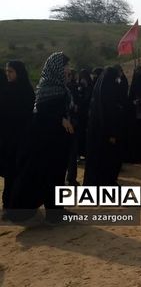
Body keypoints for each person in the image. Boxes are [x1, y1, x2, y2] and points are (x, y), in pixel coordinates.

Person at [7, 52, 75, 223]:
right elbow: (42, 114)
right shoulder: (48, 89)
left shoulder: (60, 87)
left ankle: (56, 211)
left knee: (57, 176)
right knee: (49, 175)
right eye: (65, 66)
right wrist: (60, 118)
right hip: (47, 143)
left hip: (57, 141)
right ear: (57, 68)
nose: (68, 69)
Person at [1, 61, 35, 211]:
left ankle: (19, 205)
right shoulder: (5, 90)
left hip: (22, 139)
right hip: (7, 140)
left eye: (11, 71)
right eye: (7, 71)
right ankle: (8, 204)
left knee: (19, 173)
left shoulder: (27, 91)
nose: (8, 74)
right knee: (10, 174)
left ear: (19, 72)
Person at [83, 67, 124, 186]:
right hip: (106, 134)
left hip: (97, 133)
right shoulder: (108, 91)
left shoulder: (100, 90)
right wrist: (112, 133)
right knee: (106, 160)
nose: (117, 79)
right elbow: (109, 114)